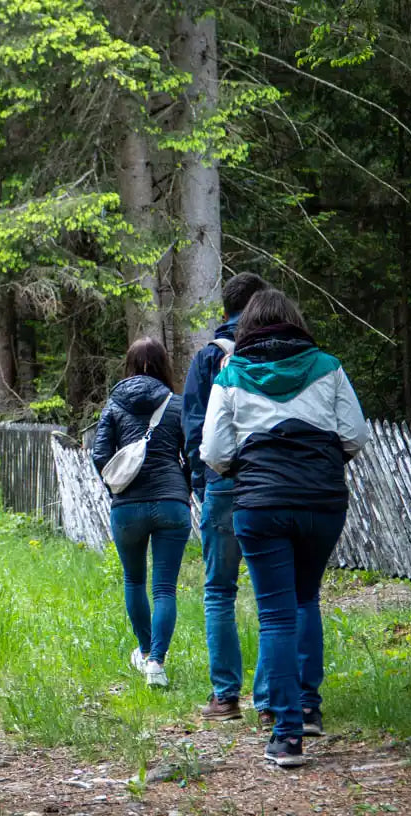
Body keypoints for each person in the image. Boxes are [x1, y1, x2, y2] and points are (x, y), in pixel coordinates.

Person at [201, 289, 368, 767]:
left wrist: (247, 468)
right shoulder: (328, 367)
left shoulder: (231, 373)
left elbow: (214, 451)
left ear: (247, 327)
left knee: (275, 615)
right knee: (306, 598)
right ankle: (309, 709)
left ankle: (287, 736)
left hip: (260, 504)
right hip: (321, 502)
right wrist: (320, 463)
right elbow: (355, 435)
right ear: (295, 321)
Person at [181, 271, 271, 724]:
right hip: (270, 481)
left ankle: (225, 696)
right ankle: (272, 700)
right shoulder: (280, 352)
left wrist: (203, 485)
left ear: (225, 310)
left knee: (219, 590)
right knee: (274, 592)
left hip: (222, 479)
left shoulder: (208, 358)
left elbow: (194, 427)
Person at [92, 337, 191, 688]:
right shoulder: (177, 404)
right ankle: (156, 664)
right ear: (164, 364)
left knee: (134, 580)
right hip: (171, 503)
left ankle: (146, 650)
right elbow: (193, 453)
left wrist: (116, 488)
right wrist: (184, 488)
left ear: (129, 364)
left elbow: (99, 454)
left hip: (128, 507)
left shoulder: (114, 405)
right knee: (164, 588)